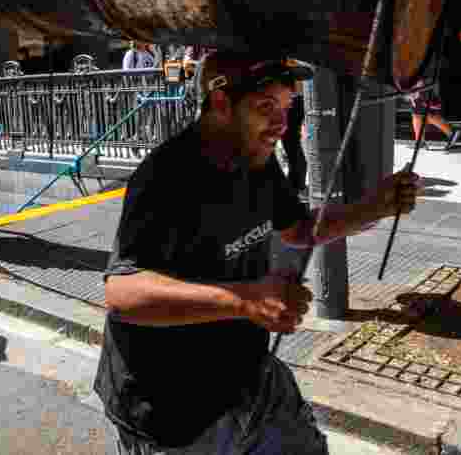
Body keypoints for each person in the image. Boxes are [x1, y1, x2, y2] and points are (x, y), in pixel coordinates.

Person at [94, 51, 419, 454]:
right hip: (172, 409)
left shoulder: (258, 162)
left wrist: (374, 207)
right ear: (220, 102)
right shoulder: (167, 177)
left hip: (250, 378)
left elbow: (298, 228)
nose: (281, 123)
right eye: (265, 106)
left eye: (286, 105)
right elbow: (122, 294)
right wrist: (246, 300)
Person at [406, 78, 461, 150]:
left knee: (423, 112)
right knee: (417, 113)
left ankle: (451, 132)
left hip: (423, 82)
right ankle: (420, 141)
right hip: (419, 83)